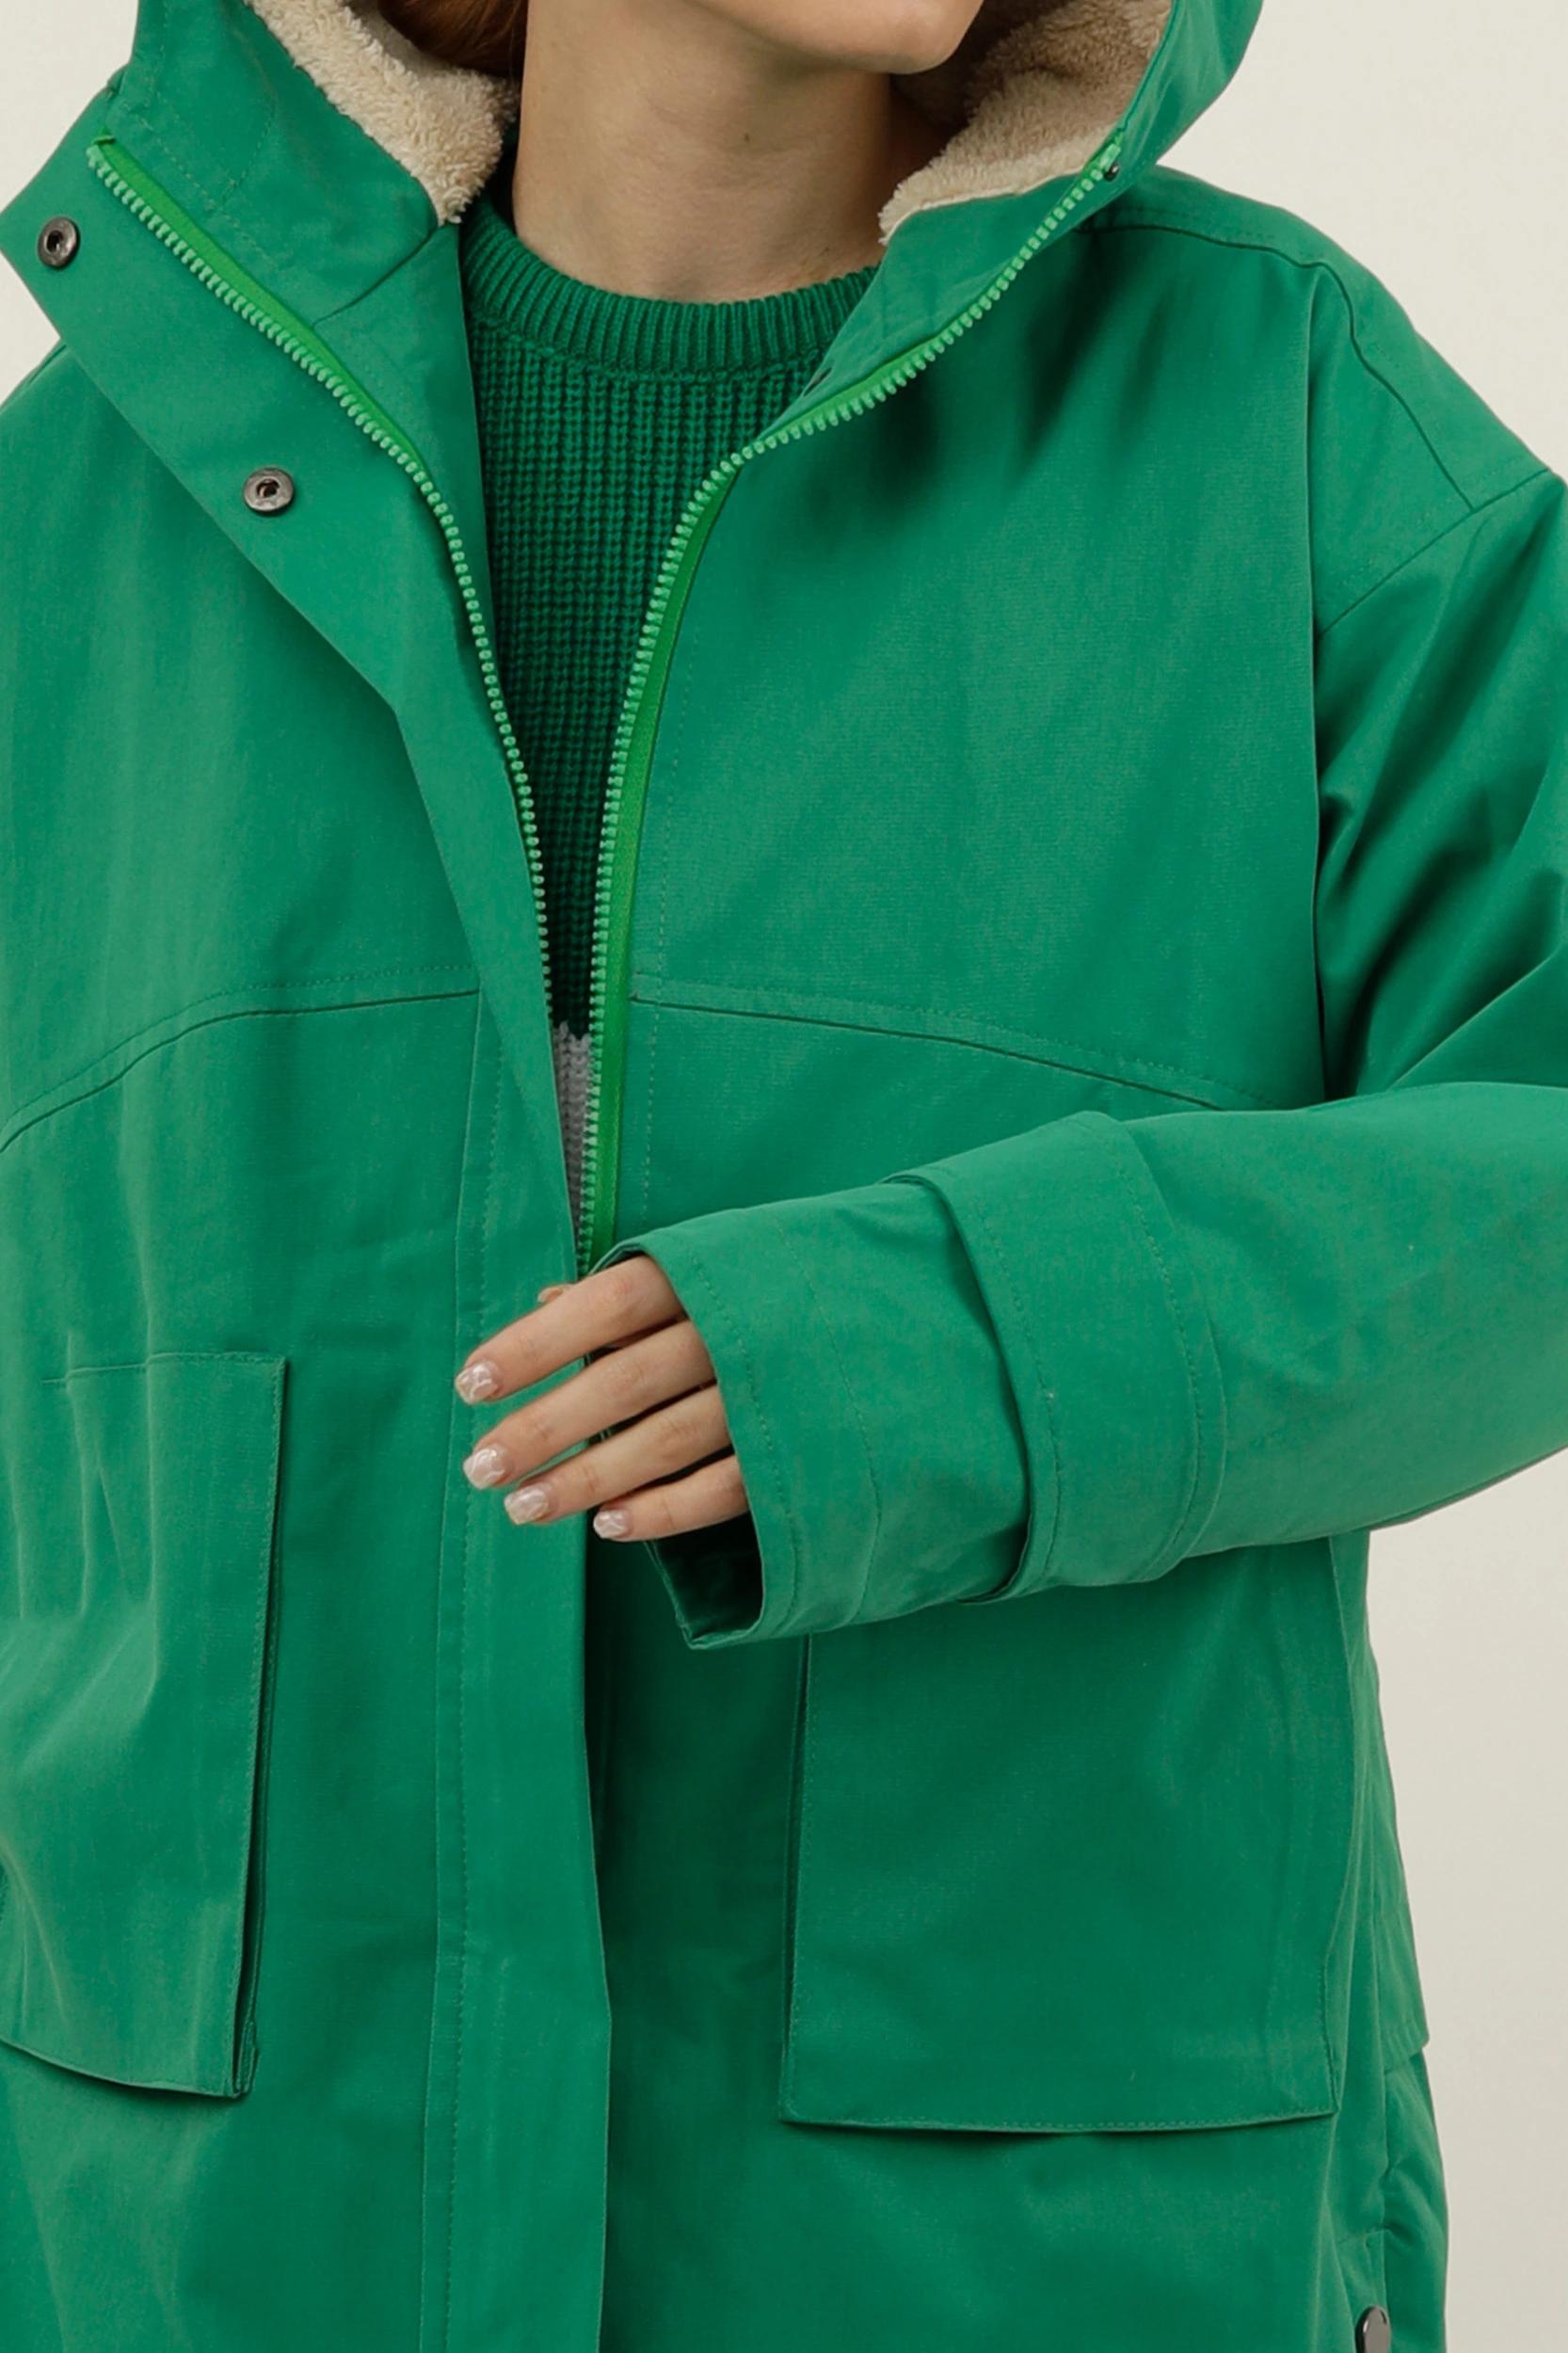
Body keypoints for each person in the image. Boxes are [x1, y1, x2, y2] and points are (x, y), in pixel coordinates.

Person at [0, 2, 1562, 2347]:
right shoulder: (85, 514)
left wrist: (969, 1342)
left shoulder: (1282, 421)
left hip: (1035, 2259)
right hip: (203, 2251)